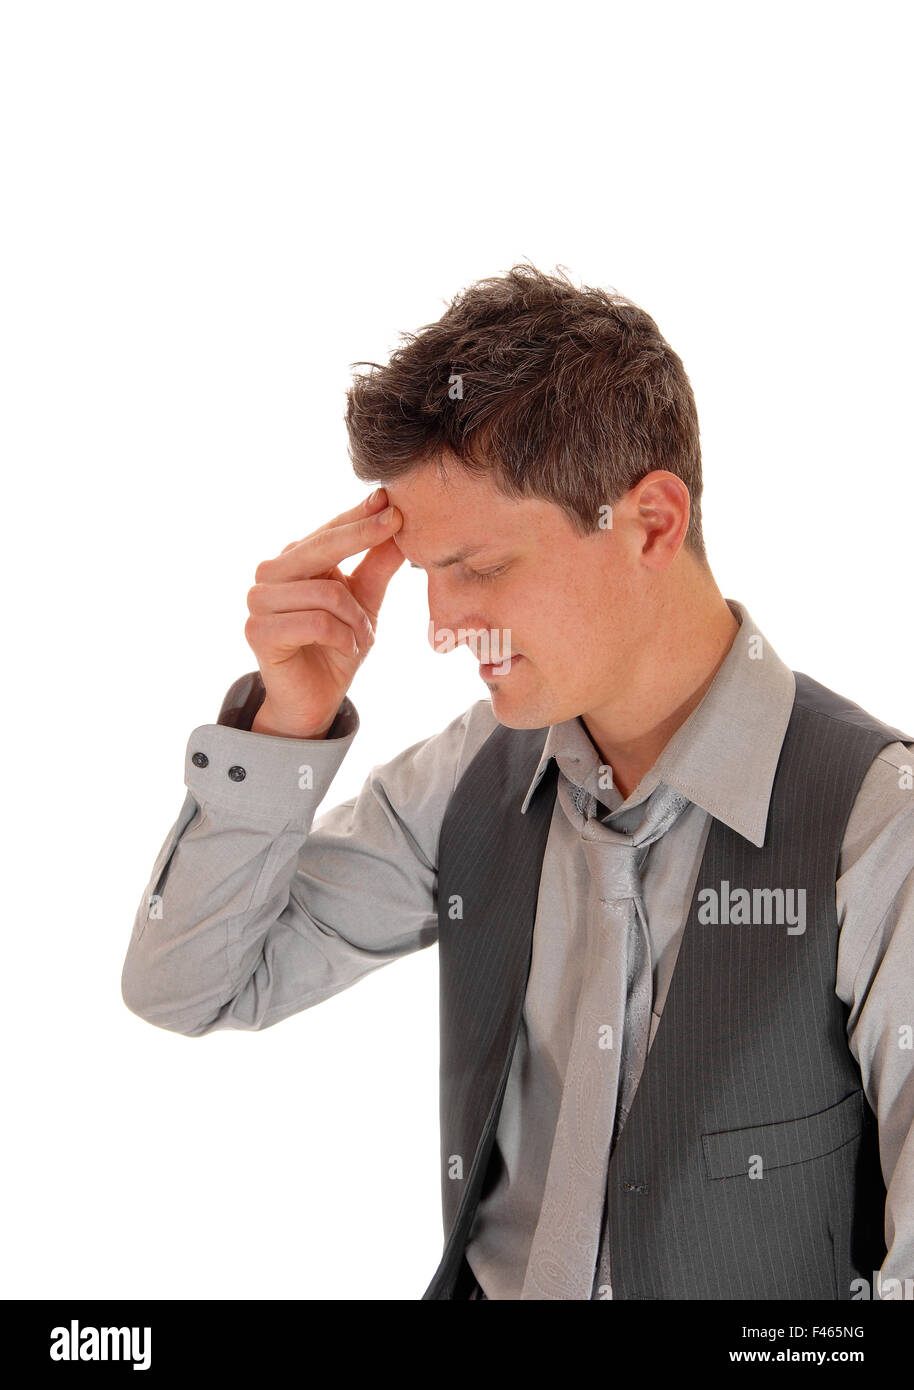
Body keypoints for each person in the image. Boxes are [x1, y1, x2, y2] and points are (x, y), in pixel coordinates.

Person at [121, 264, 914, 1300]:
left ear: (649, 524)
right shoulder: (466, 779)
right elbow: (191, 984)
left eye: (481, 568)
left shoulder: (871, 821)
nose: (442, 626)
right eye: (425, 573)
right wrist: (289, 721)